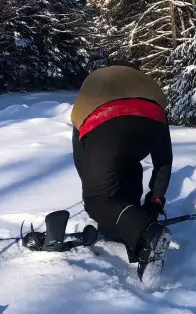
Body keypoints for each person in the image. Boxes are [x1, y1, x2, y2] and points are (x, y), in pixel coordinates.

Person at [70, 60, 173, 276]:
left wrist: (96, 192)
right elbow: (163, 159)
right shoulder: (147, 89)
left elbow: (82, 157)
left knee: (98, 200)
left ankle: (148, 232)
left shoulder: (92, 93)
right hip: (152, 122)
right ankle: (130, 229)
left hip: (105, 123)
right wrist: (155, 200)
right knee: (128, 166)